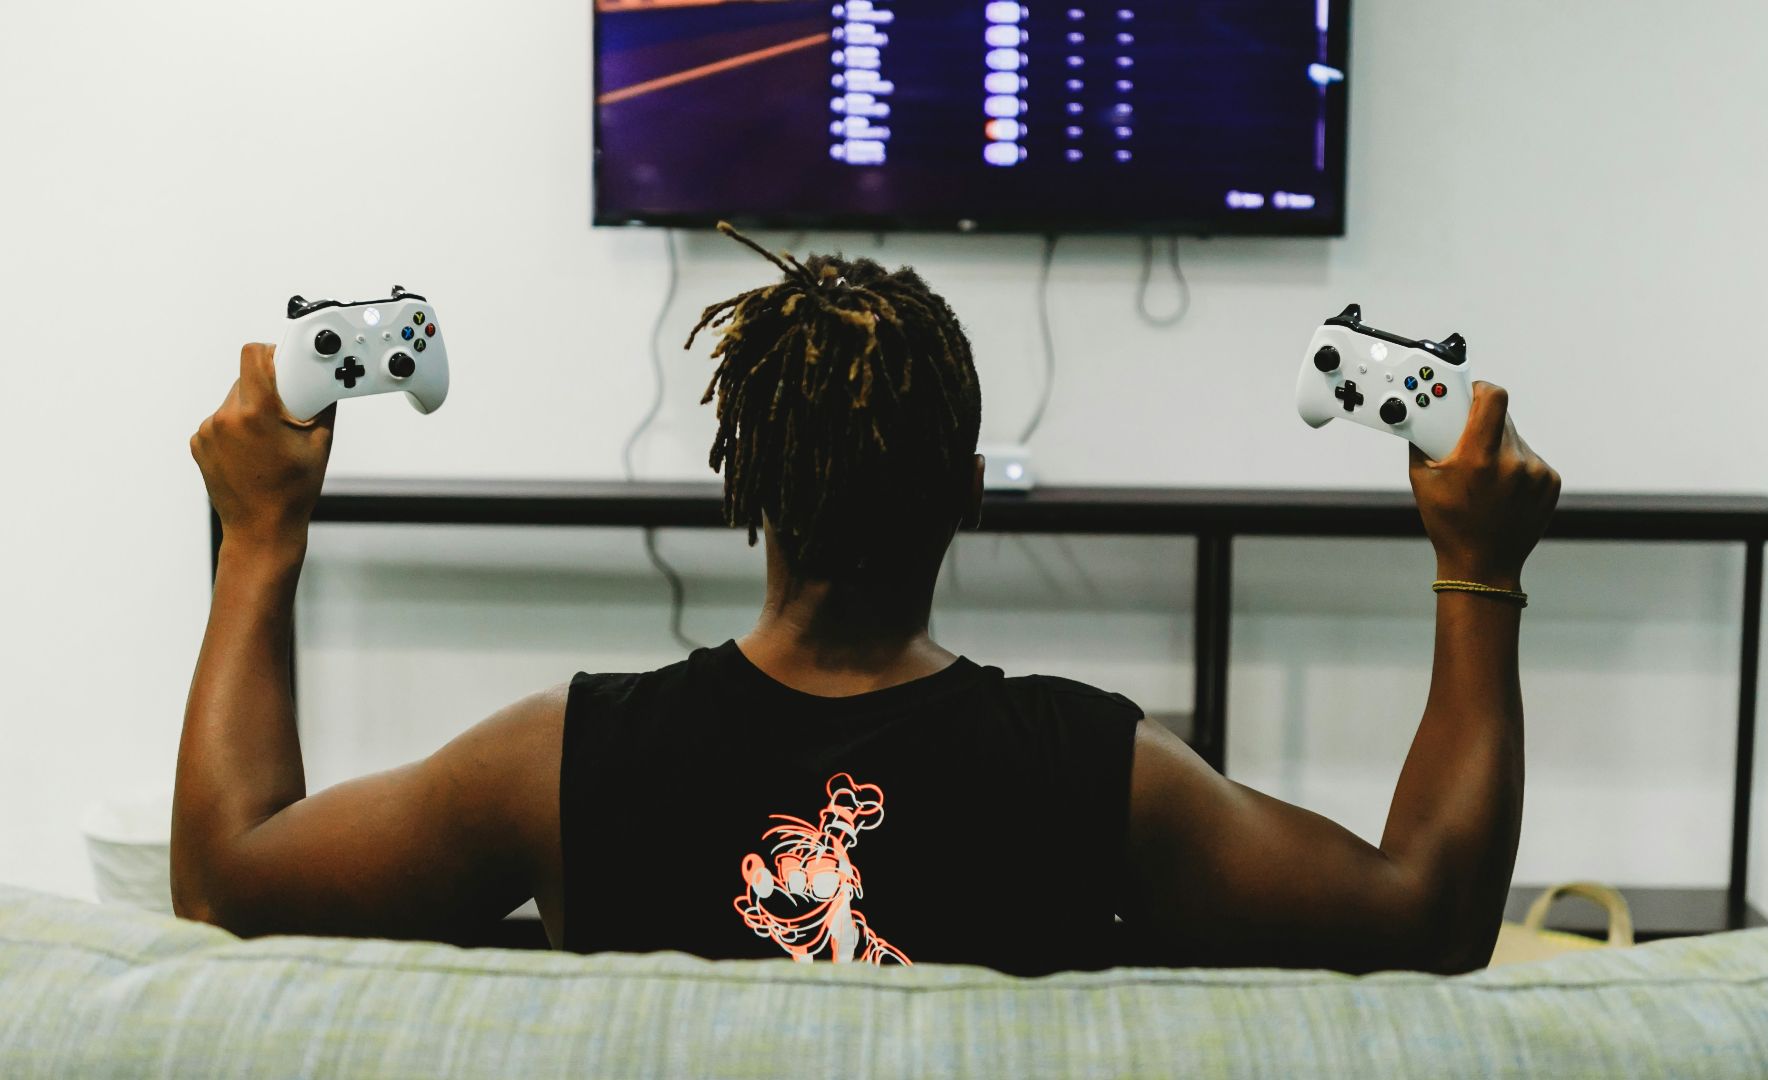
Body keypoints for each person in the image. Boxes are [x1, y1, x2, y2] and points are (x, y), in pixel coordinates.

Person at [174, 227, 1559, 976]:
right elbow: (1431, 915)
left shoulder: (557, 761)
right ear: (965, 492)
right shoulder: (1104, 775)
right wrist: (1480, 570)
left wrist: (258, 533)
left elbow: (227, 883)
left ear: (746, 487)